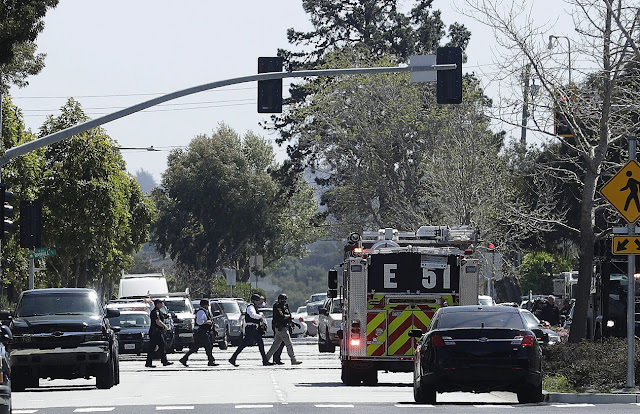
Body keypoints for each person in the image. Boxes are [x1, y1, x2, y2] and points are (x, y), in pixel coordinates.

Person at [228, 293, 273, 367]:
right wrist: (260, 316)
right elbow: (252, 315)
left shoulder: (254, 307)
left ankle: (265, 360)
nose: (259, 302)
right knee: (244, 344)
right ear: (254, 300)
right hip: (251, 329)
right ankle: (233, 358)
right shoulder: (250, 307)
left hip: (254, 328)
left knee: (260, 344)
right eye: (258, 300)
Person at [265, 293, 302, 365]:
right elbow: (282, 316)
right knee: (289, 344)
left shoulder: (285, 306)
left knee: (275, 345)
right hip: (281, 328)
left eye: (285, 300)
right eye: (283, 300)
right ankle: (293, 359)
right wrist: (288, 316)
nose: (285, 301)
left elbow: (288, 317)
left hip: (283, 327)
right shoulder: (277, 306)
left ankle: (266, 359)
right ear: (280, 300)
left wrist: (294, 323)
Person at [179, 299, 218, 367]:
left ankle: (184, 359)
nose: (208, 306)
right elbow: (199, 322)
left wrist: (213, 324)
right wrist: (207, 322)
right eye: (207, 305)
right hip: (201, 333)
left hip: (203, 332)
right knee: (208, 346)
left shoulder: (205, 312)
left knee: (196, 347)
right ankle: (211, 361)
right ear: (204, 305)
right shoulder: (201, 312)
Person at [145, 299, 173, 368]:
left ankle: (149, 362)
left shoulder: (158, 311)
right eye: (161, 303)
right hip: (156, 332)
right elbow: (158, 321)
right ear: (157, 304)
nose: (162, 304)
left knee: (153, 348)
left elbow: (164, 316)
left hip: (156, 332)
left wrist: (169, 316)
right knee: (162, 346)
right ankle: (164, 361)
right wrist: (165, 326)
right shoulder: (155, 312)